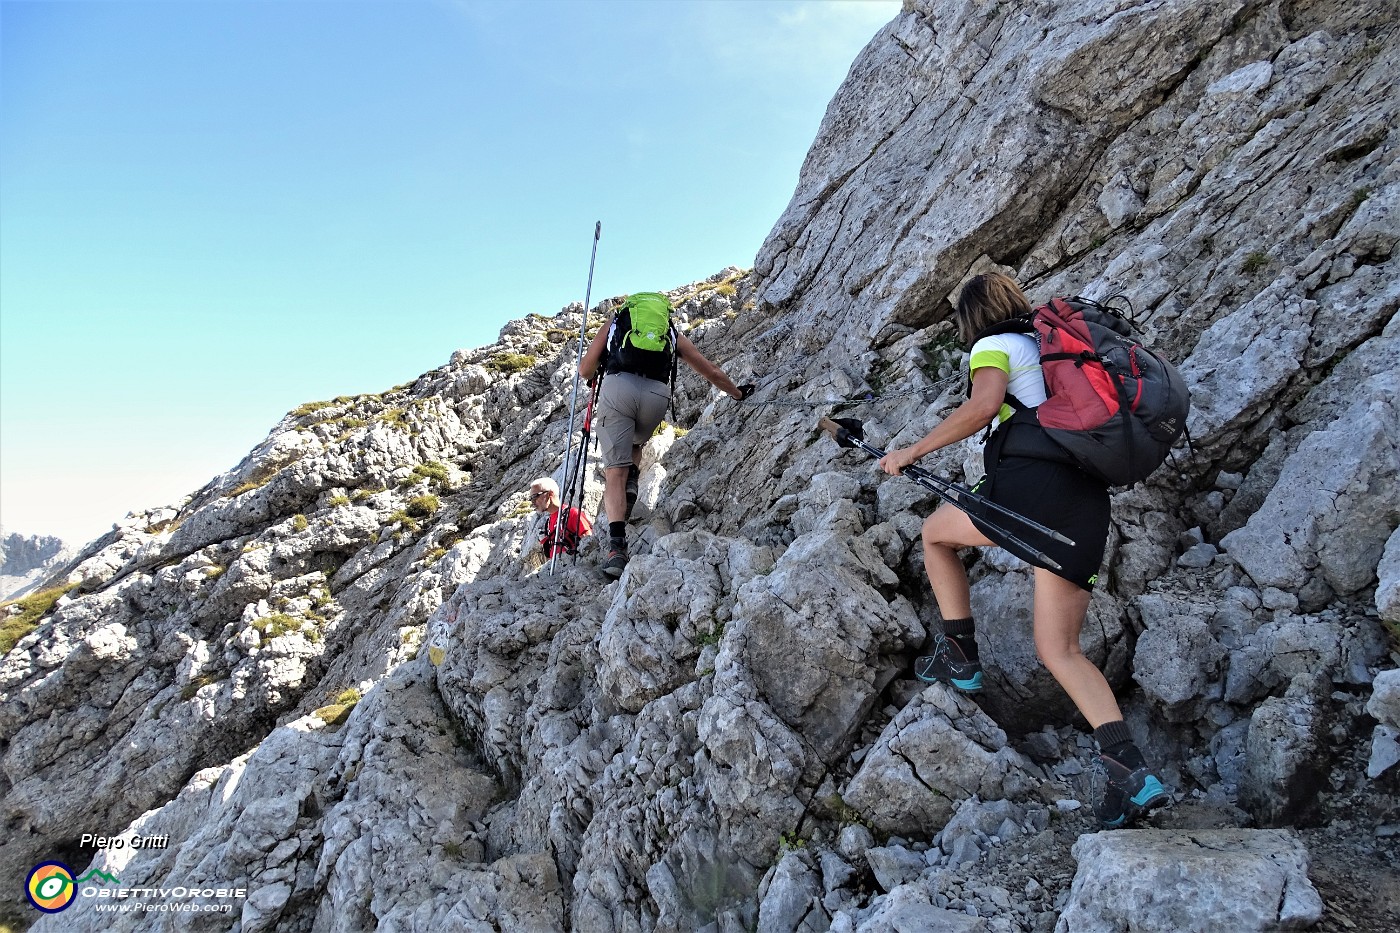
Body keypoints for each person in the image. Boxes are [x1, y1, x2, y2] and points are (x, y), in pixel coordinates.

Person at [877, 272, 1168, 829]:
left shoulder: (994, 345)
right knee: (1061, 651)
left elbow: (985, 405)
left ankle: (960, 655)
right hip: (1084, 505)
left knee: (934, 535)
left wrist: (911, 451)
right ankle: (1133, 777)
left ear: (969, 319)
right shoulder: (1054, 352)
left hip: (1033, 492)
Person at [579, 293, 751, 578]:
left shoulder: (615, 324)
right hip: (655, 398)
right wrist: (737, 393)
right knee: (636, 438)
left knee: (614, 472)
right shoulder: (670, 333)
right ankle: (632, 477)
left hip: (618, 389)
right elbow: (710, 370)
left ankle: (617, 549)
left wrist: (598, 368)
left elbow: (585, 368)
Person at [527, 476, 592, 561]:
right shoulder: (548, 523)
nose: (533, 502)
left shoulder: (573, 514)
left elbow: (589, 543)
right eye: (531, 498)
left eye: (535, 496)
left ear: (550, 494)